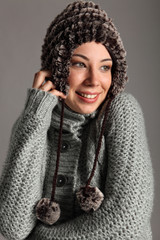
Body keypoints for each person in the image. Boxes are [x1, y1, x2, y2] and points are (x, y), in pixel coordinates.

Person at [0, 1, 154, 239]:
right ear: (57, 68)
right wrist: (34, 118)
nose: (94, 80)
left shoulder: (122, 111)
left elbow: (126, 223)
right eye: (80, 64)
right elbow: (13, 227)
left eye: (105, 68)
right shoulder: (35, 122)